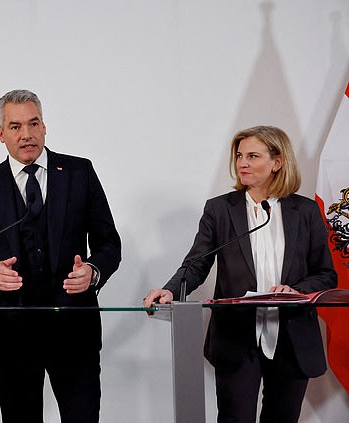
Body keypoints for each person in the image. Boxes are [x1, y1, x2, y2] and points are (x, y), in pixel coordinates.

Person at [143, 125, 337, 423]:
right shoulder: (220, 209)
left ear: (277, 162)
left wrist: (296, 290)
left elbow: (326, 274)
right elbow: (197, 262)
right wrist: (171, 290)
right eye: (239, 156)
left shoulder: (307, 211)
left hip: (292, 337)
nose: (242, 163)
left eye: (253, 156)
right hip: (237, 336)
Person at [0, 89, 121, 423]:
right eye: (15, 127)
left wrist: (92, 271)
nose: (27, 134)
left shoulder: (79, 173)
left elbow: (109, 244)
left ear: (45, 127)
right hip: (12, 334)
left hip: (75, 331)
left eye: (34, 123)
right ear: (1, 134)